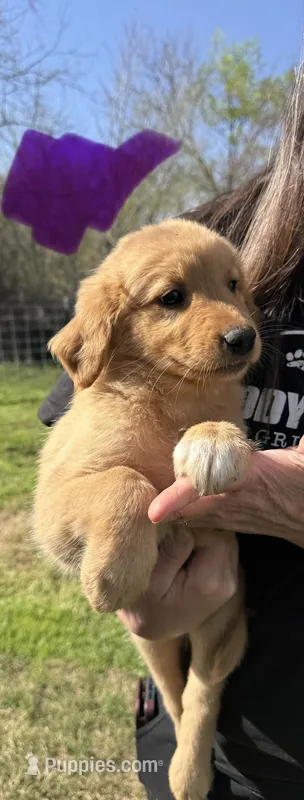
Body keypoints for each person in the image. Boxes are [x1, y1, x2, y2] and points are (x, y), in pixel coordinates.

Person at [38, 66, 304, 800]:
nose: (237, 322)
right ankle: (186, 711)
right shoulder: (219, 221)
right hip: (218, 729)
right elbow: (61, 503)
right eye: (175, 300)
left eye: (235, 289)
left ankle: (198, 708)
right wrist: (123, 508)